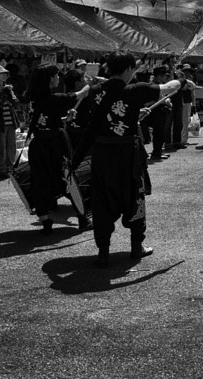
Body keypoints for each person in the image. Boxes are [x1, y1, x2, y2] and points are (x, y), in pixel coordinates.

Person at [71, 52, 186, 267]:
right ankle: (136, 246)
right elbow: (169, 88)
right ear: (126, 69)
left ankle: (103, 252)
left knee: (102, 200)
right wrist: (182, 79)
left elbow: (105, 118)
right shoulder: (135, 89)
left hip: (103, 154)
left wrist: (134, 115)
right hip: (128, 155)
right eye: (133, 69)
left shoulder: (95, 91)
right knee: (134, 195)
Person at [26, 64, 91, 234]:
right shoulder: (54, 99)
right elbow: (83, 93)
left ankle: (45, 221)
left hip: (38, 144)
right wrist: (90, 83)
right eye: (56, 76)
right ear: (49, 79)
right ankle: (82, 217)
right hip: (54, 145)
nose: (58, 78)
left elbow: (44, 119)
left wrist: (63, 118)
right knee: (68, 178)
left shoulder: (33, 98)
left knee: (39, 181)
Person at [0, 65, 20, 180]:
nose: (5, 75)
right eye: (2, 74)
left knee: (11, 145)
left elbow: (16, 104)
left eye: (5, 74)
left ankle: (10, 167)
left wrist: (10, 94)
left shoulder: (8, 88)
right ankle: (0, 169)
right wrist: (4, 93)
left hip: (10, 120)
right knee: (0, 146)